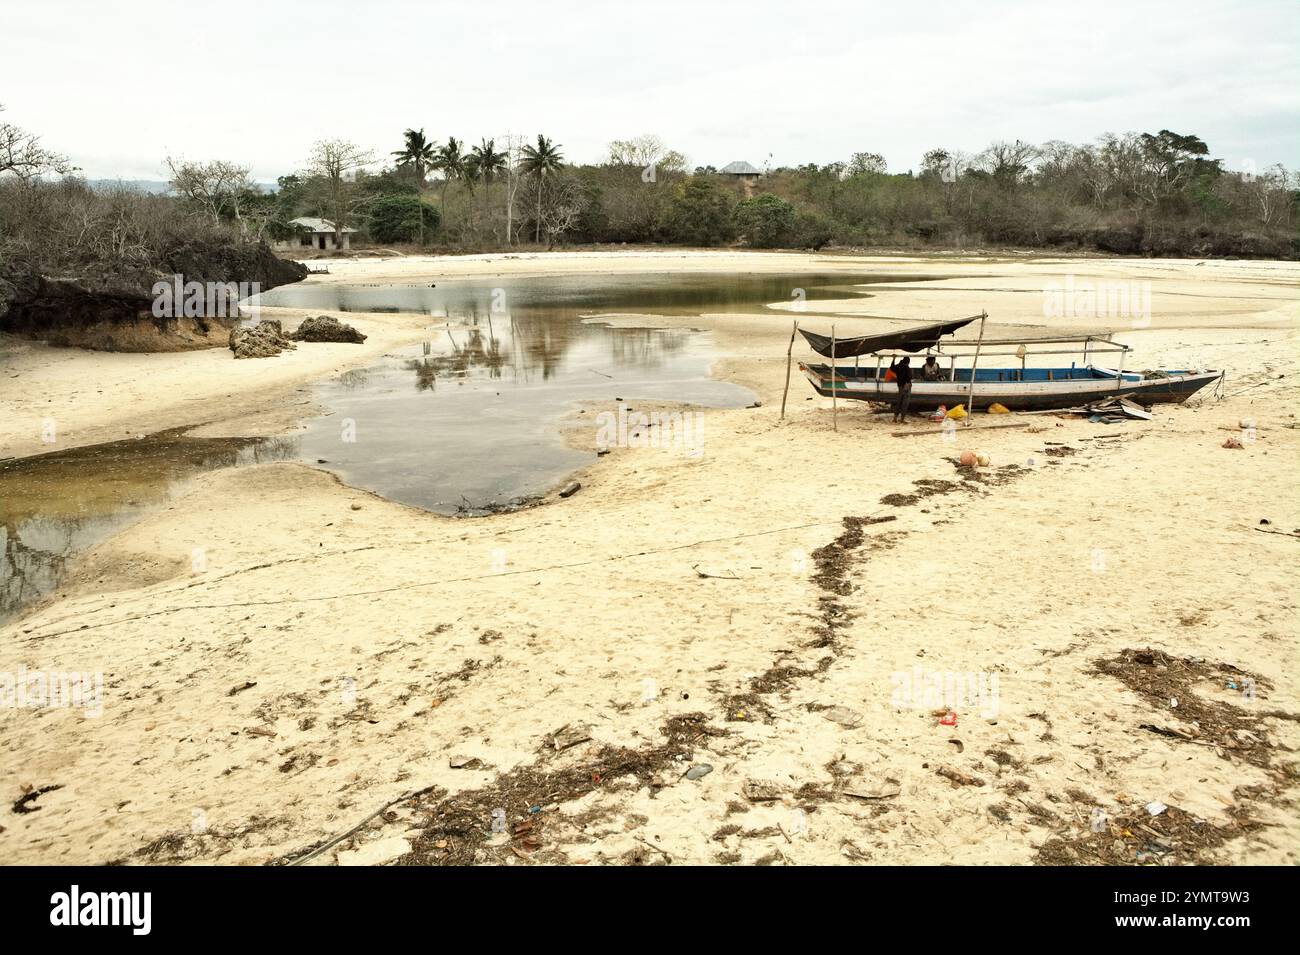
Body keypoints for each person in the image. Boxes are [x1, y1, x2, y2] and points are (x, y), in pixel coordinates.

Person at [890, 356, 913, 422]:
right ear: (908, 362)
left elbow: (892, 368)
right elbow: (909, 377)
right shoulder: (907, 367)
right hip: (906, 386)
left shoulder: (898, 366)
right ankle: (902, 419)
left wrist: (893, 359)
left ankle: (895, 418)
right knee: (905, 403)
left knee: (899, 402)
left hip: (900, 386)